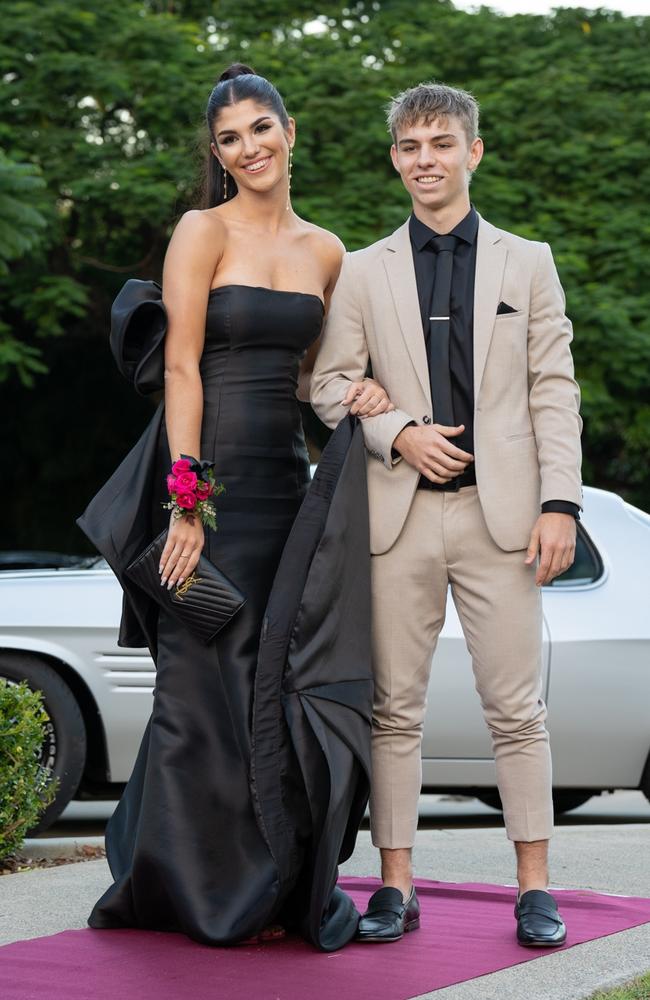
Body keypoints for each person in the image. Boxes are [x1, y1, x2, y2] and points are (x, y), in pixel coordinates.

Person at [77, 63, 391, 951]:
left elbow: (309, 380)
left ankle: (273, 887)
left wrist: (360, 397)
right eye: (230, 138)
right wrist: (185, 503)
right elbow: (180, 367)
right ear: (217, 155)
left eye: (261, 128)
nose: (248, 147)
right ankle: (187, 886)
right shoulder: (200, 230)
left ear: (291, 133)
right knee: (195, 684)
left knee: (273, 687)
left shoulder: (328, 251)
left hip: (287, 492)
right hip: (206, 491)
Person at [311, 81, 582, 948]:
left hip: (503, 520)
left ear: (473, 152)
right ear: (394, 158)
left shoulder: (527, 261)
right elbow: (324, 385)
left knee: (518, 710)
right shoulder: (360, 269)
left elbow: (553, 389)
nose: (424, 159)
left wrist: (559, 503)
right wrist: (395, 431)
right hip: (396, 520)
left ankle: (534, 888)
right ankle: (396, 885)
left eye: (440, 143)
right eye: (409, 146)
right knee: (395, 709)